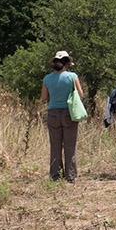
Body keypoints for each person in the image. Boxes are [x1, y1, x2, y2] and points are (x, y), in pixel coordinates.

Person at [40, 50, 84, 183]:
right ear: (67, 63)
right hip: (68, 113)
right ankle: (70, 176)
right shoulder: (72, 76)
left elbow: (43, 98)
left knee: (55, 145)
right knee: (70, 145)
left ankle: (55, 175)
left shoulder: (47, 78)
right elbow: (81, 94)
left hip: (53, 113)